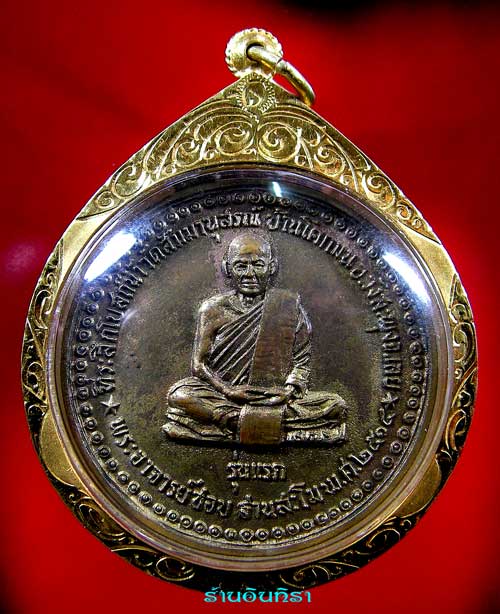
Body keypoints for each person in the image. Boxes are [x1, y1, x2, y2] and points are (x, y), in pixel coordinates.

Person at [162, 234, 348, 445]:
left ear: (272, 267)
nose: (250, 274)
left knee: (335, 404)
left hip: (273, 396)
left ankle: (233, 425)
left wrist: (288, 392)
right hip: (225, 395)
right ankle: (267, 425)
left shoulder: (287, 306)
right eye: (241, 266)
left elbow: (301, 362)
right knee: (179, 394)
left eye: (258, 265)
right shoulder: (212, 309)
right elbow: (199, 365)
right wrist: (228, 390)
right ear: (227, 268)